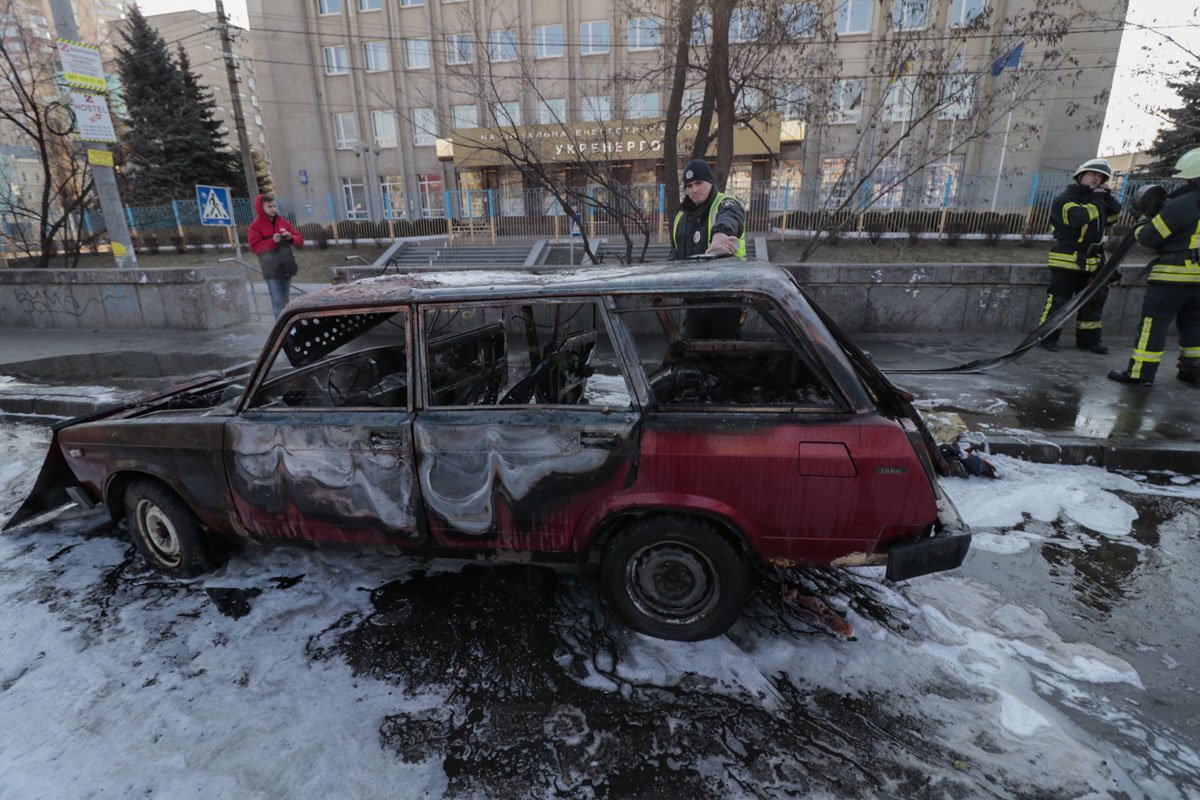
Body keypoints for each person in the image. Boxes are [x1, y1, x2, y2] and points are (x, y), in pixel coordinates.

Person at [1108, 147, 1200, 387]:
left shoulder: (1182, 204)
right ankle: (1193, 371)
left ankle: (1140, 373)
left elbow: (1150, 237)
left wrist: (1142, 221)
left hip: (1172, 277)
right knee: (1194, 325)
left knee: (1154, 324)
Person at [1038, 158, 1122, 353]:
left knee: (1093, 302)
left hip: (1093, 261)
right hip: (1067, 258)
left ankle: (1089, 341)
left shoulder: (1097, 201)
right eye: (1093, 173)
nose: (1096, 178)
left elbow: (1112, 218)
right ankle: (1047, 337)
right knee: (1059, 300)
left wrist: (1109, 200)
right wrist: (1098, 201)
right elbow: (1079, 218)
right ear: (1080, 176)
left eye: (1100, 176)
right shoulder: (1065, 199)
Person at [670, 158, 747, 337]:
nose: (694, 190)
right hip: (693, 301)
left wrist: (720, 237)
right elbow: (674, 256)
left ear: (710, 182)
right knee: (694, 354)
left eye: (699, 183)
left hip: (725, 300)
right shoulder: (681, 218)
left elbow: (729, 218)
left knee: (726, 356)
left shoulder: (725, 203)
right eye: (689, 186)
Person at [247, 194, 304, 319]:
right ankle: (279, 331)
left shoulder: (283, 221)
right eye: (269, 206)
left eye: (274, 206)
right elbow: (255, 247)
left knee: (286, 302)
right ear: (261, 208)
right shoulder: (255, 226)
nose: (273, 209)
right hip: (271, 269)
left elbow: (300, 241)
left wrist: (291, 238)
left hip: (286, 266)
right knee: (277, 302)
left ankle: (288, 329)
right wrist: (272, 241)